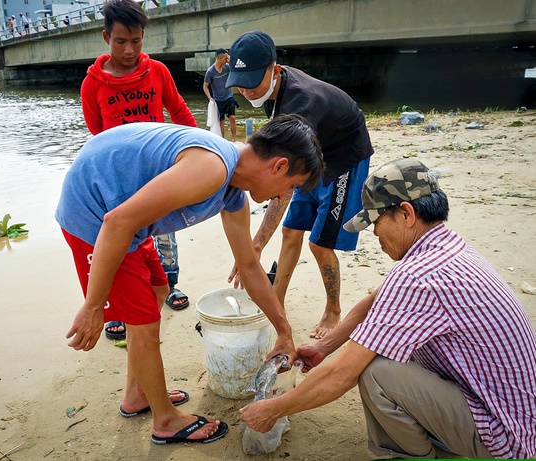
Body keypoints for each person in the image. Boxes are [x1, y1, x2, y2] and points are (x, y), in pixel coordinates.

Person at [239, 158, 536, 459]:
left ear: (405, 214)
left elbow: (341, 375)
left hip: (506, 440)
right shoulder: (447, 247)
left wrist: (272, 409)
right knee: (381, 348)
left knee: (376, 373)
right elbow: (376, 301)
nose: (374, 233)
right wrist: (325, 346)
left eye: (375, 221)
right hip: (516, 417)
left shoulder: (416, 276)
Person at [56, 115, 324, 444]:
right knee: (143, 320)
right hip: (93, 212)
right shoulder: (212, 168)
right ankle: (165, 420)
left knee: (158, 288)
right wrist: (93, 305)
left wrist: (283, 331)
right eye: (292, 186)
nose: (285, 195)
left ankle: (137, 394)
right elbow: (115, 222)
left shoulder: (232, 193)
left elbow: (250, 267)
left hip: (128, 223)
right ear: (279, 166)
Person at [226, 31, 374, 339]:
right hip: (310, 151)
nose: (246, 89)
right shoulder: (271, 93)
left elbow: (284, 188)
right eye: (240, 81)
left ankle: (333, 310)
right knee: (291, 231)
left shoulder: (301, 105)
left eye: (254, 80)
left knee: (319, 243)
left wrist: (255, 245)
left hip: (343, 155)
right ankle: (276, 301)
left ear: (275, 70)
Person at [80, 0, 196, 340]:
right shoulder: (93, 84)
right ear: (106, 38)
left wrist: (201, 150)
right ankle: (118, 305)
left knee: (165, 233)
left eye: (136, 41)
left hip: (159, 172)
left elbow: (179, 111)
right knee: (121, 240)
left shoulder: (157, 72)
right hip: (117, 181)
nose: (129, 50)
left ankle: (170, 285)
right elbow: (97, 135)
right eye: (120, 42)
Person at [203, 48, 239, 141]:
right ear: (219, 58)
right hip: (218, 100)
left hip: (229, 97)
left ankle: (235, 140)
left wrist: (231, 61)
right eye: (225, 58)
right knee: (221, 122)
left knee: (232, 118)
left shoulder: (227, 67)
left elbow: (236, 69)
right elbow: (205, 86)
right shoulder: (210, 72)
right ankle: (223, 141)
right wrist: (210, 98)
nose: (226, 60)